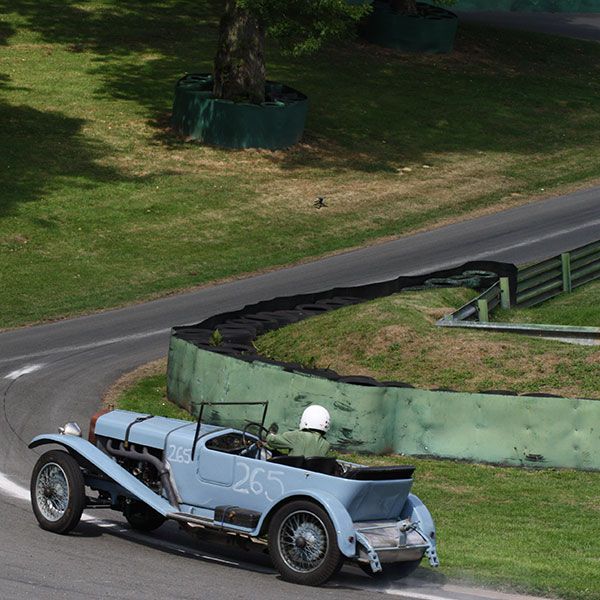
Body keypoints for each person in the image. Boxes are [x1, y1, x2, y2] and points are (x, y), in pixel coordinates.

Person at [265, 405, 331, 457]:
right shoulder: (326, 445)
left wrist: (270, 434)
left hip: (290, 470)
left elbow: (271, 441)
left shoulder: (297, 436)